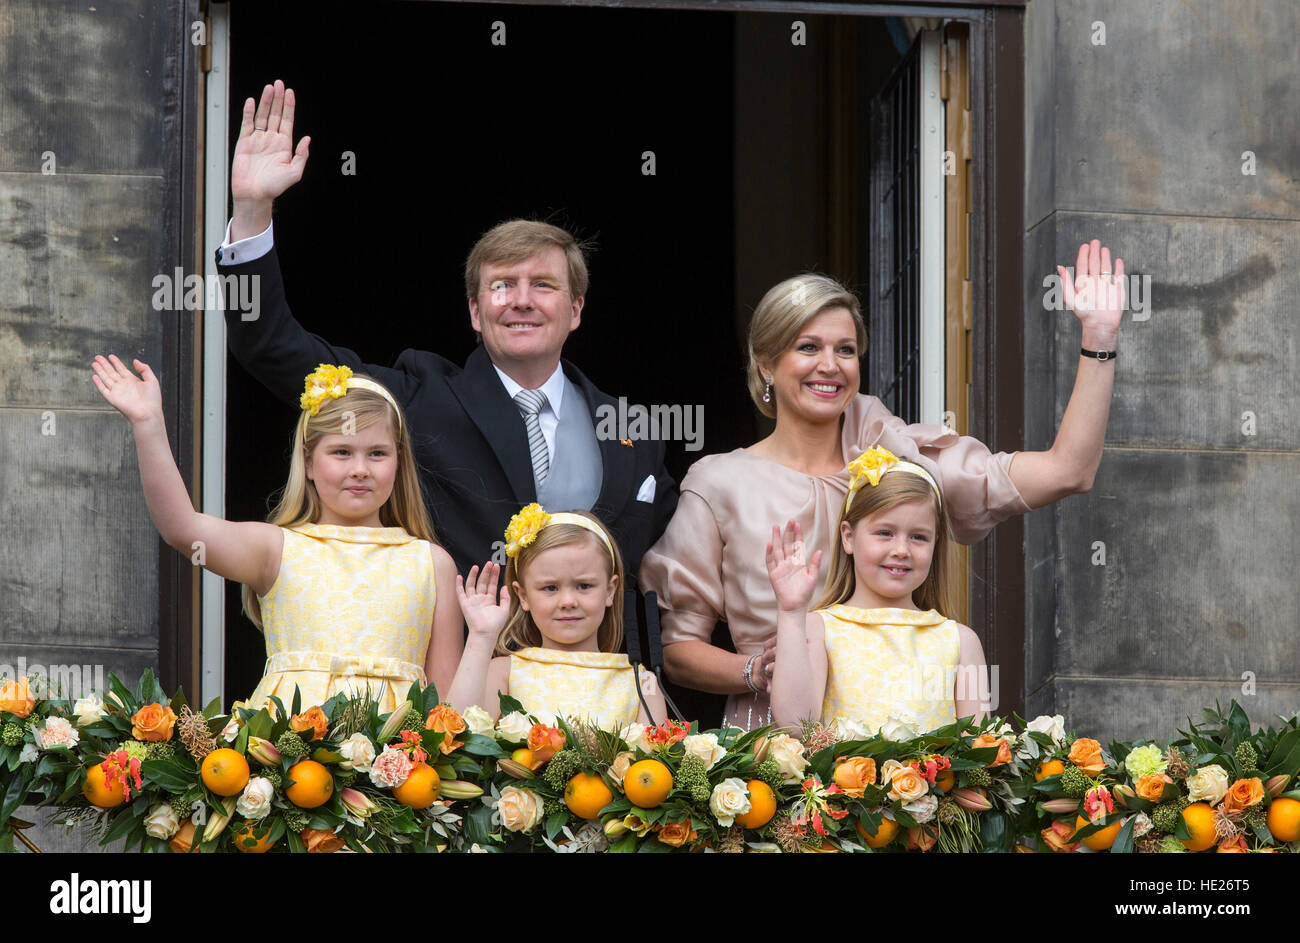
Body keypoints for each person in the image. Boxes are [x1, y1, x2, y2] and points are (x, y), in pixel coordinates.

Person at [214, 82, 677, 647]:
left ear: (576, 310)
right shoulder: (419, 398)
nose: (522, 300)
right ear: (476, 312)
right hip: (462, 701)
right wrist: (253, 209)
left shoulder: (632, 430)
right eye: (502, 286)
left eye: (544, 285)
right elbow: (272, 347)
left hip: (600, 709)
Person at [641, 248, 1122, 729]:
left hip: (901, 747)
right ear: (766, 364)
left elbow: (1068, 470)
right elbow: (676, 650)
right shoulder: (720, 481)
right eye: (808, 347)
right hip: (774, 745)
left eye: (845, 350)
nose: (829, 365)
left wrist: (1099, 339)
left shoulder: (893, 455)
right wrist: (756, 670)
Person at [91, 356, 464, 710]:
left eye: (378, 454)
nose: (360, 469)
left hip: (395, 769)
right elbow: (182, 529)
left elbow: (444, 701)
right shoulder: (279, 547)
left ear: (399, 461)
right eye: (341, 452)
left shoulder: (431, 563)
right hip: (287, 764)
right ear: (308, 462)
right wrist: (147, 424)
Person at [766, 448, 987, 733]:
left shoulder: (962, 642)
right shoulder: (818, 628)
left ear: (936, 545)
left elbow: (980, 750)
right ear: (848, 537)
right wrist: (791, 612)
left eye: (919, 537)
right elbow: (796, 728)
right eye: (885, 533)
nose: (901, 550)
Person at [445, 505, 666, 729]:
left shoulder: (642, 683)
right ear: (523, 596)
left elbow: (654, 761)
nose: (567, 601)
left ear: (610, 590)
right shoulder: (505, 672)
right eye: (550, 588)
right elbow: (456, 738)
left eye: (584, 585)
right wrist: (481, 636)